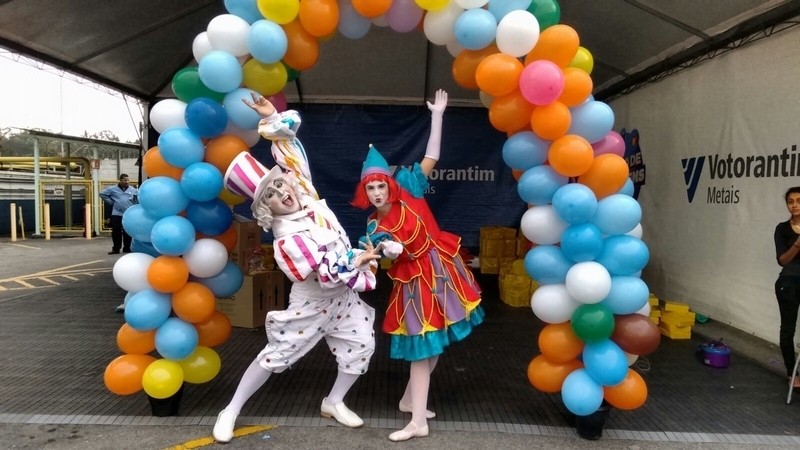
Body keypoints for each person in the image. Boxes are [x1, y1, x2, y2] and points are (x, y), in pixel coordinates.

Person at [212, 94, 383, 443]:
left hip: (343, 299)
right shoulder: (286, 240)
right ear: (265, 209)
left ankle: (333, 401)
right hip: (312, 303)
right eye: (270, 194)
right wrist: (357, 260)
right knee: (276, 355)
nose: (281, 193)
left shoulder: (306, 196)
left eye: (279, 184)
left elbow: (292, 153)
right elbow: (325, 271)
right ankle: (230, 409)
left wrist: (271, 115)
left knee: (362, 344)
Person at [350, 89, 484, 442]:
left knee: (433, 342)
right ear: (365, 192)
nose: (377, 192)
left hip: (441, 268)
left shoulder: (410, 188)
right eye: (371, 188)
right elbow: (385, 257)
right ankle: (415, 415)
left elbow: (432, 155)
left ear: (389, 183)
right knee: (424, 344)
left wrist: (437, 115)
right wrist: (390, 250)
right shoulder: (373, 226)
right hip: (412, 284)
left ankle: (413, 404)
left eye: (381, 185)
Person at [774, 186, 800, 389]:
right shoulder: (782, 229)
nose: (794, 205)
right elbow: (782, 260)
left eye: (798, 200)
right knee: (788, 329)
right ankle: (792, 373)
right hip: (789, 284)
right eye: (790, 201)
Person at [99, 173, 137, 255]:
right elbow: (102, 194)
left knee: (128, 231)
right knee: (116, 232)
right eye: (125, 180)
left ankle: (127, 248)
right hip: (117, 214)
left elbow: (137, 198)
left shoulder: (133, 190)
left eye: (128, 180)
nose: (127, 182)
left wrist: (134, 205)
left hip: (128, 213)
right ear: (120, 180)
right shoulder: (112, 189)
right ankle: (116, 248)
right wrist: (111, 202)